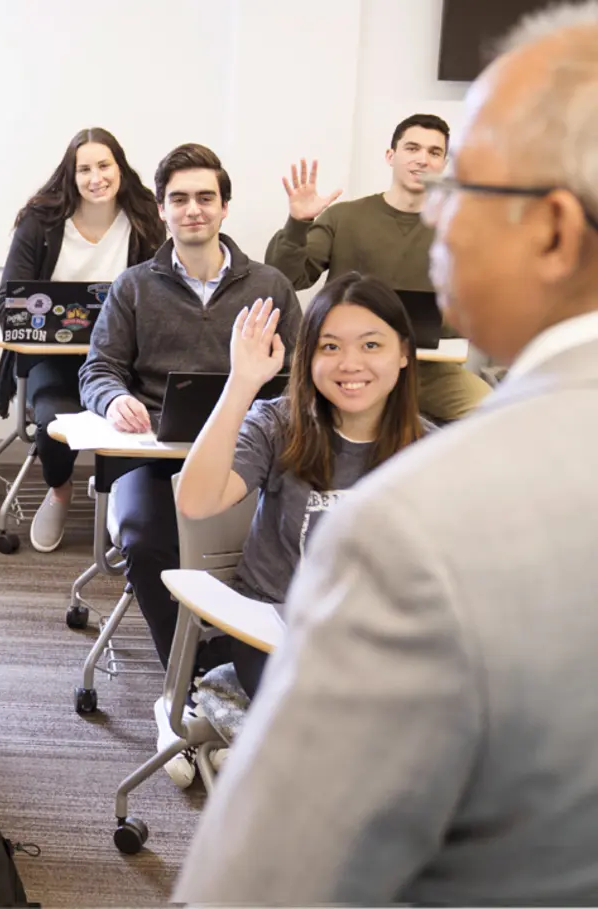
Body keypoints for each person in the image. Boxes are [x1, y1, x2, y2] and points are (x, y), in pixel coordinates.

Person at [176, 4, 598, 903]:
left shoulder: (418, 509)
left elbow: (261, 878)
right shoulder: (305, 432)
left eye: (462, 185)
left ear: (556, 231)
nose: (436, 214)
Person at [78, 143, 299, 786]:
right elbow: (97, 368)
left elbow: (301, 376)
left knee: (262, 544)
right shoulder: (134, 286)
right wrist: (115, 399)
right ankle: (197, 685)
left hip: (248, 455)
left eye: (206, 197)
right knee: (146, 538)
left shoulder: (270, 286)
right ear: (161, 208)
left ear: (225, 206)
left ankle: (226, 679)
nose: (193, 209)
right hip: (151, 457)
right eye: (179, 198)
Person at [175, 274, 429, 700]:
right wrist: (242, 383)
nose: (350, 364)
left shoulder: (430, 450)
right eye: (330, 347)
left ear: (403, 352)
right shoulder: (278, 426)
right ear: (308, 356)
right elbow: (195, 502)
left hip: (377, 636)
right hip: (275, 631)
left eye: (371, 345)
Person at [0, 128, 166, 552]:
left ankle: (125, 495)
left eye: (104, 165)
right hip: (53, 358)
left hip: (121, 360)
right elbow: (8, 302)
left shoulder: (145, 218)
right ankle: (60, 489)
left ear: (120, 168)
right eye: (84, 169)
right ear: (70, 175)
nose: (95, 178)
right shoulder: (40, 222)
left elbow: (160, 296)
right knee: (53, 422)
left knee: (145, 416)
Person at [265, 112, 493, 423]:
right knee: (288, 416)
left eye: (434, 152)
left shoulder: (459, 228)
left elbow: (478, 308)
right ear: (391, 155)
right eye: (412, 148)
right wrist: (298, 224)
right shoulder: (344, 217)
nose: (422, 159)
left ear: (443, 164)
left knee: (494, 412)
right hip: (347, 361)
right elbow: (286, 277)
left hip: (427, 369)